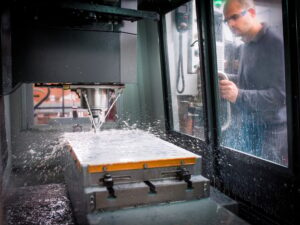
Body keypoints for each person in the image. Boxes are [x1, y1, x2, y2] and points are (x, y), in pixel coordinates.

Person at [219, 0, 287, 165]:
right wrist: (224, 77)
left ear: (252, 13)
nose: (230, 23)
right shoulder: (245, 46)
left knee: (264, 180)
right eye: (226, 20)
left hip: (271, 131)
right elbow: (249, 82)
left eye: (234, 17)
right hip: (249, 124)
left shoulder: (276, 43)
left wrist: (239, 95)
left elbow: (280, 97)